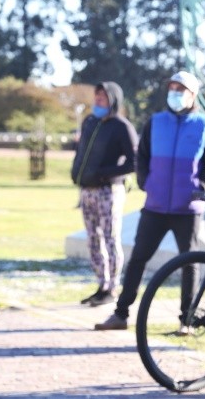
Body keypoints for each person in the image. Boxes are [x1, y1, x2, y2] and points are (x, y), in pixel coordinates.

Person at [95, 70, 205, 331]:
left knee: (189, 263)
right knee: (138, 259)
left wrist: (200, 189)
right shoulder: (155, 122)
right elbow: (141, 157)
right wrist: (146, 183)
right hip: (155, 206)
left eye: (180, 89)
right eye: (172, 88)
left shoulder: (204, 125)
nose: (174, 93)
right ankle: (120, 314)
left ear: (193, 95)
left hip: (188, 209)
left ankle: (186, 320)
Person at [71, 81, 139, 307]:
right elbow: (82, 152)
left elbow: (134, 161)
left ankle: (113, 287)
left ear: (113, 100)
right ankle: (102, 284)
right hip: (87, 191)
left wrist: (105, 174)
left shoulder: (121, 127)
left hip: (108, 191)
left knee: (110, 238)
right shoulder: (90, 122)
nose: (98, 101)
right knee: (93, 240)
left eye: (103, 97)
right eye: (96, 97)